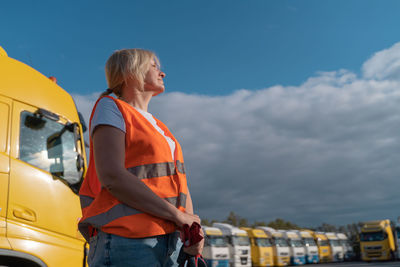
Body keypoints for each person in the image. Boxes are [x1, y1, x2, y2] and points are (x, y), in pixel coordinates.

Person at [78, 48, 203, 266]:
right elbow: (112, 176)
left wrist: (191, 226)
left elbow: (181, 183)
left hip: (169, 242)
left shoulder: (161, 128)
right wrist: (178, 217)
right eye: (154, 66)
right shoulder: (111, 107)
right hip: (127, 241)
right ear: (130, 72)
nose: (162, 73)